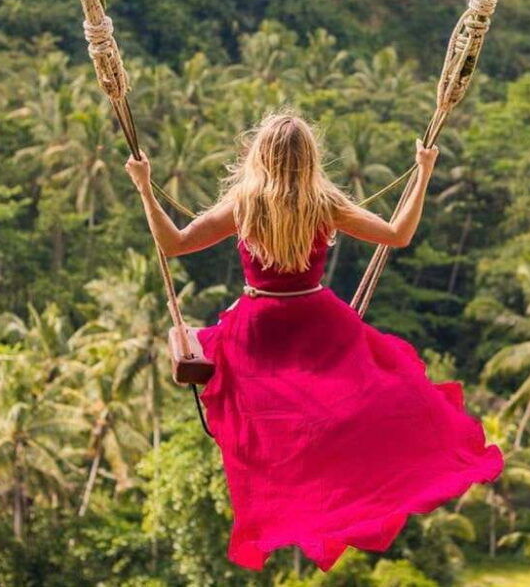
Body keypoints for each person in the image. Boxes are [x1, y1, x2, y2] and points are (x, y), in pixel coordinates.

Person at [125, 110, 503, 572]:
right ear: (309, 158)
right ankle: (340, 494)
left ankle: (292, 503)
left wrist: (145, 187)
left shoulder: (245, 204)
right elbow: (397, 234)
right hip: (319, 323)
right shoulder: (323, 203)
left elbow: (175, 243)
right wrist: (423, 173)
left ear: (259, 155)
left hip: (259, 329)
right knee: (377, 395)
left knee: (268, 428)